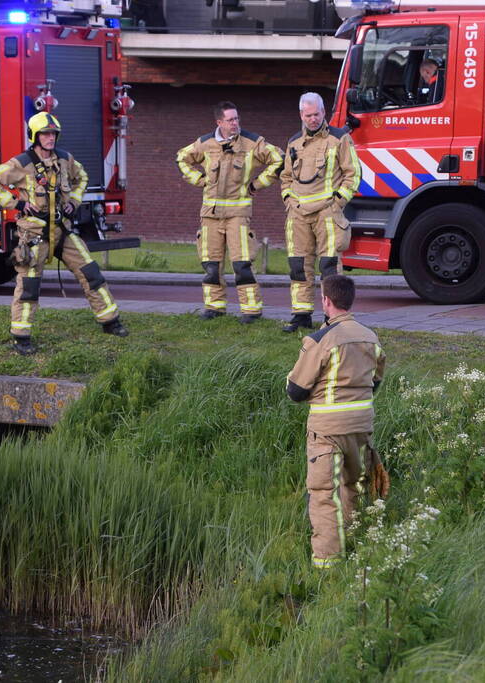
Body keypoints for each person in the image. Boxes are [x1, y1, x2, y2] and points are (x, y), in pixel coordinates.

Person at [0, 112, 127, 355]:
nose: (50, 138)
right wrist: (16, 204)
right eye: (45, 134)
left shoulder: (65, 159)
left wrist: (74, 201)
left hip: (63, 231)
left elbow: (81, 178)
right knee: (29, 284)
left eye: (53, 134)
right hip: (35, 235)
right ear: (35, 136)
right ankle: (21, 335)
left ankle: (110, 321)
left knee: (91, 273)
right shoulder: (21, 164)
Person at [285, 275, 386, 568]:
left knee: (323, 496)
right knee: (353, 486)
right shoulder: (371, 336)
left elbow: (296, 390)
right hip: (362, 425)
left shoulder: (319, 339)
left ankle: (327, 566)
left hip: (327, 430)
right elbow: (375, 382)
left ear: (326, 301)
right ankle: (355, 548)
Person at [176, 101, 283, 322]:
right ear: (219, 122)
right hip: (210, 215)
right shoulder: (205, 143)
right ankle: (214, 307)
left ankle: (251, 310)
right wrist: (199, 180)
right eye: (231, 120)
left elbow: (279, 158)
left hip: (238, 214)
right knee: (211, 265)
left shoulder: (252, 143)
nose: (236, 123)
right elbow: (181, 158)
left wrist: (257, 184)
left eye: (237, 119)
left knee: (242, 264)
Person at [279, 93, 361, 332]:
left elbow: (353, 173)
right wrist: (288, 200)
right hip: (298, 215)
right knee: (298, 265)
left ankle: (332, 319)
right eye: (308, 115)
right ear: (301, 115)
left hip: (327, 213)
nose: (313, 119)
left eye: (316, 114)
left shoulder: (339, 138)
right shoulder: (293, 142)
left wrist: (337, 203)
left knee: (329, 266)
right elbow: (285, 177)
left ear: (324, 112)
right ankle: (301, 315)